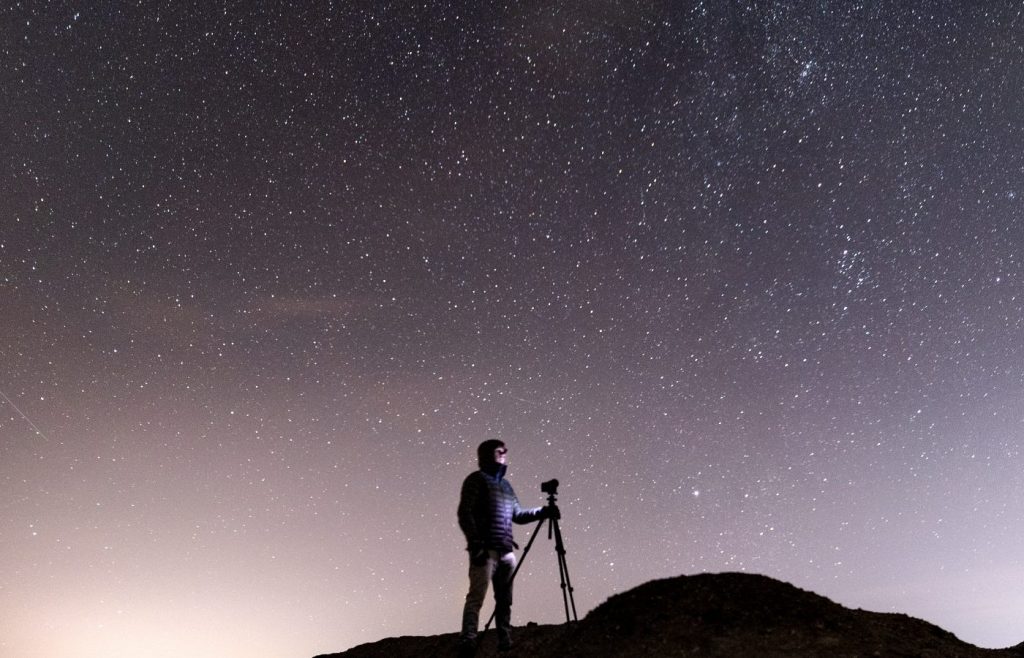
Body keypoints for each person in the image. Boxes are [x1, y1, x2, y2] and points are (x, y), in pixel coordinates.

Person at [457, 439, 558, 654]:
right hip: (485, 552)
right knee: (476, 597)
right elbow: (464, 513)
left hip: (506, 552)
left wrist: (542, 511)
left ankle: (504, 638)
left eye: (504, 450)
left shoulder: (506, 486)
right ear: (486, 455)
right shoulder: (475, 480)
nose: (504, 452)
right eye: (498, 450)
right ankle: (468, 640)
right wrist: (475, 544)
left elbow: (518, 515)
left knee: (505, 600)